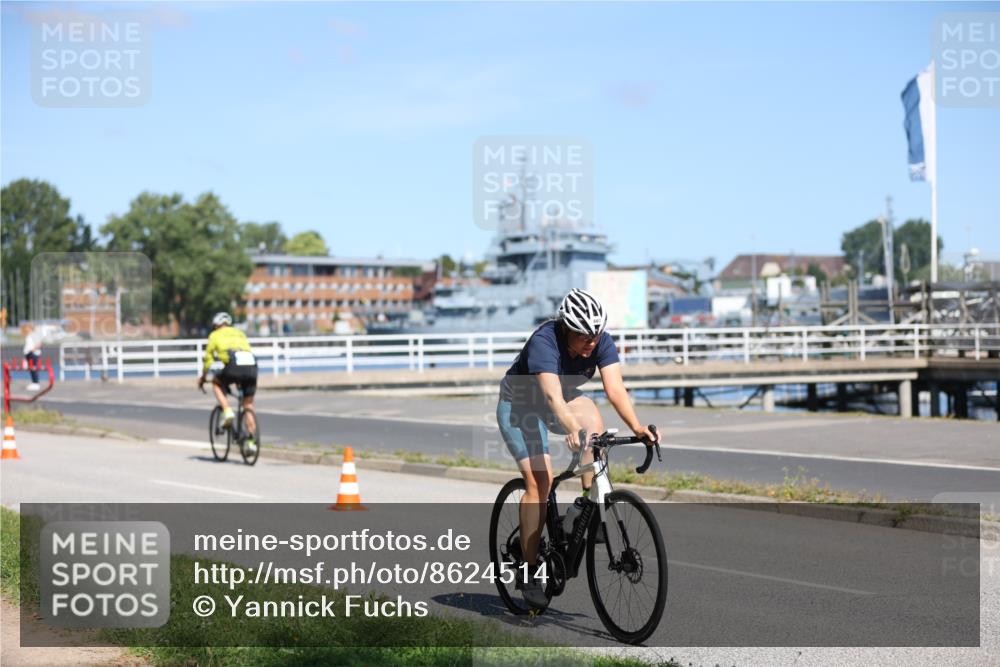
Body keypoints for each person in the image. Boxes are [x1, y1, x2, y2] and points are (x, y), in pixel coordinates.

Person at [496, 288, 660, 608]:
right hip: (522, 407)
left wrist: (638, 428)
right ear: (566, 328)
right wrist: (572, 428)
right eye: (584, 337)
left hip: (561, 402)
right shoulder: (545, 341)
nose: (591, 343)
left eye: (595, 336)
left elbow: (615, 389)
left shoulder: (600, 340)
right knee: (540, 483)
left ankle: (586, 507)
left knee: (596, 427)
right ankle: (529, 571)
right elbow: (552, 398)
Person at [198, 312, 258, 450]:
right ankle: (251, 443)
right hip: (251, 367)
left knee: (216, 383)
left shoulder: (215, 335)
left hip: (233, 367)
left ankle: (227, 411)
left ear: (216, 325)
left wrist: (203, 378)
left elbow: (208, 359)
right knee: (248, 405)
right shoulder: (239, 333)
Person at [22, 323, 42, 391]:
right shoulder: (29, 335)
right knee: (31, 368)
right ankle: (33, 382)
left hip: (33, 353)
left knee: (33, 367)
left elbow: (39, 344)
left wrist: (31, 350)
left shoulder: (34, 334)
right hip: (29, 353)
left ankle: (36, 383)